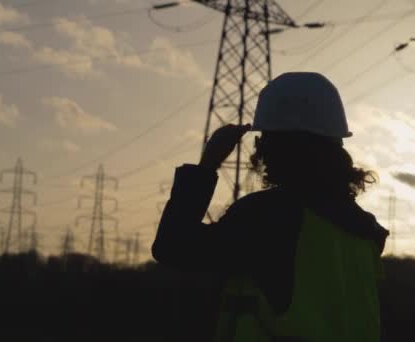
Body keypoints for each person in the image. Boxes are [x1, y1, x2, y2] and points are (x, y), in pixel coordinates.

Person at [152, 72, 389, 341]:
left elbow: (173, 247)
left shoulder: (268, 216)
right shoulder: (366, 231)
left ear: (271, 147)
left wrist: (207, 166)